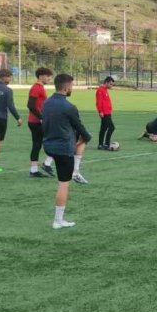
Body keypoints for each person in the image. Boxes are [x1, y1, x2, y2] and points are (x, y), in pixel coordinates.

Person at [42, 74, 92, 229]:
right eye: (71, 85)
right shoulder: (69, 107)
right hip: (63, 149)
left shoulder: (46, 103)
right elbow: (81, 128)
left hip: (49, 146)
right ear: (66, 87)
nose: (72, 88)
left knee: (79, 140)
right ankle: (58, 221)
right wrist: (85, 138)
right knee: (63, 185)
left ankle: (74, 170)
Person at [26, 67, 56, 178]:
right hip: (37, 122)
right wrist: (42, 117)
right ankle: (47, 163)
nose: (49, 78)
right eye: (47, 76)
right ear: (40, 76)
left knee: (37, 145)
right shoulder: (36, 88)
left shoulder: (40, 87)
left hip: (35, 121)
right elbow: (30, 105)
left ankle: (33, 170)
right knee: (56, 140)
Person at [96, 76, 117, 150]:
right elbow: (99, 102)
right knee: (112, 127)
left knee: (103, 128)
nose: (111, 86)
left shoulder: (105, 90)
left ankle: (100, 144)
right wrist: (100, 111)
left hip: (107, 112)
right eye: (111, 84)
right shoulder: (100, 90)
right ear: (106, 82)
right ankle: (106, 144)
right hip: (104, 113)